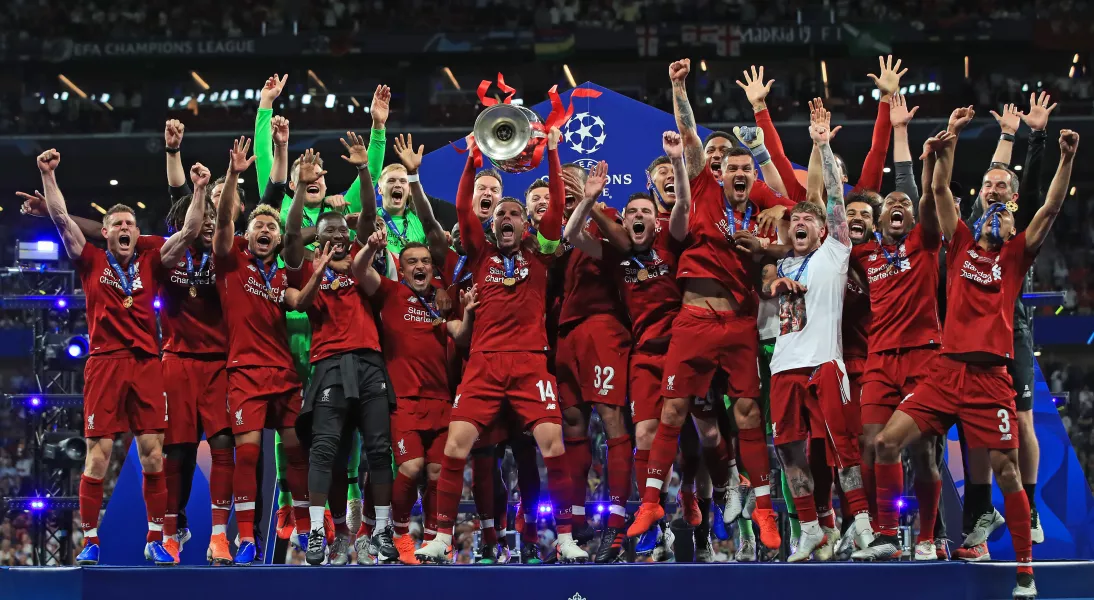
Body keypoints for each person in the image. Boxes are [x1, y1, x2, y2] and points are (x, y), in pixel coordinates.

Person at [859, 113, 1078, 599]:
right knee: (887, 441)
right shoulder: (957, 244)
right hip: (944, 371)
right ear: (980, 217)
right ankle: (890, 537)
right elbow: (938, 193)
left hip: (990, 379)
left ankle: (1025, 571)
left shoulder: (1016, 256)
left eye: (1007, 214)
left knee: (1006, 470)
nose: (1000, 215)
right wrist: (947, 146)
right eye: (993, 211)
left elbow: (1052, 208)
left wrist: (1066, 158)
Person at [628, 58, 794, 552]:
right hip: (695, 319)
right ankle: (652, 502)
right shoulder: (702, 188)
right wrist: (678, 86)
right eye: (732, 168)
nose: (738, 174)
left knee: (747, 414)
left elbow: (797, 218)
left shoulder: (761, 208)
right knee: (673, 409)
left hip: (740, 323)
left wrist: (770, 250)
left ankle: (764, 511)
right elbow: (689, 131)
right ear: (719, 172)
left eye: (745, 169)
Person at [415, 127, 587, 564]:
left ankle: (565, 537)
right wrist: (472, 163)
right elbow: (460, 207)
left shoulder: (540, 254)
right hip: (484, 365)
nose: (506, 218)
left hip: (531, 363)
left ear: (526, 225)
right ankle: (440, 537)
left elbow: (555, 216)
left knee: (552, 445)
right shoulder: (479, 255)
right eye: (500, 216)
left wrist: (551, 150)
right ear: (492, 226)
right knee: (457, 447)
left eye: (514, 214)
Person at [34, 147, 207, 566]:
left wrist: (200, 190)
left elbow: (188, 233)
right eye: (118, 225)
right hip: (106, 363)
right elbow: (61, 218)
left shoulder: (151, 261)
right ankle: (91, 540)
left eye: (130, 223)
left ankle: (156, 538)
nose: (126, 228)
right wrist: (49, 175)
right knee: (98, 455)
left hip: (148, 362)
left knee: (153, 452)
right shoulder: (90, 260)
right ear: (106, 234)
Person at [254, 75, 389, 540]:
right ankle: (292, 509)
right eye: (302, 182)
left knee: (345, 420)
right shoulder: (286, 213)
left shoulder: (340, 216)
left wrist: (376, 129)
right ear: (296, 185)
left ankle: (351, 495)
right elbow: (268, 179)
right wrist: (265, 109)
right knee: (291, 422)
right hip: (292, 330)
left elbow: (365, 183)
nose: (314, 184)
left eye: (319, 180)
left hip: (338, 336)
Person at [566, 131, 692, 562]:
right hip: (643, 352)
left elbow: (683, 209)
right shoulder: (616, 256)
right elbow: (570, 235)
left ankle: (690, 508)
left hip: (682, 348)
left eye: (645, 212)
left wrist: (677, 163)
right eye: (632, 212)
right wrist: (589, 199)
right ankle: (650, 520)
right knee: (643, 433)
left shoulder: (670, 243)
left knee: (697, 438)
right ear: (624, 221)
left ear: (654, 220)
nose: (639, 217)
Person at [761, 118, 874, 562]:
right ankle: (810, 528)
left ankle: (862, 525)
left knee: (843, 449)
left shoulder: (836, 251)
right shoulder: (785, 265)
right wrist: (773, 287)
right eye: (796, 220)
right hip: (782, 368)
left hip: (825, 365)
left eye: (810, 218)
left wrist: (823, 148)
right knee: (788, 449)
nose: (802, 222)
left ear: (825, 227)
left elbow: (836, 199)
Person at [281, 145, 398, 566]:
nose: (334, 237)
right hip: (327, 365)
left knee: (380, 450)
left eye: (339, 232)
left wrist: (366, 169)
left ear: (348, 236)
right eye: (326, 232)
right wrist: (298, 192)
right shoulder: (303, 268)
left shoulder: (363, 265)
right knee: (324, 451)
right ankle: (316, 532)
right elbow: (292, 238)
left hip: (369, 362)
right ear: (319, 238)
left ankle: (382, 531)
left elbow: (368, 212)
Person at [211, 137, 326, 565]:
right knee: (250, 452)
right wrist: (234, 175)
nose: (264, 230)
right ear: (248, 234)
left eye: (271, 228)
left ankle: (301, 529)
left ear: (279, 239)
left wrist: (315, 275)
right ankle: (245, 539)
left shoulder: (280, 276)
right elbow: (223, 221)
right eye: (258, 225)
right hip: (243, 373)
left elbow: (298, 302)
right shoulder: (231, 262)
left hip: (283, 373)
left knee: (297, 450)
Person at [956, 92, 1055, 560]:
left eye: (1001, 187)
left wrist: (1032, 136)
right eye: (987, 185)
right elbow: (993, 184)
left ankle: (1029, 509)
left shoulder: (1018, 227)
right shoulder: (976, 224)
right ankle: (977, 513)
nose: (993, 190)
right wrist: (1008, 135)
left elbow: (1033, 192)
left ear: (1014, 198)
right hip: (969, 335)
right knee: (973, 430)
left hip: (1012, 330)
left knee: (1021, 419)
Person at [134, 163, 238, 565]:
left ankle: (219, 538)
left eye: (214, 219)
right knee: (176, 453)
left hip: (218, 364)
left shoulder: (227, 254)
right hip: (176, 362)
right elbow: (105, 235)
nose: (210, 224)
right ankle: (171, 534)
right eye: (203, 219)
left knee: (224, 446)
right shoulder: (164, 256)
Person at [356, 233, 479, 564]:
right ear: (403, 269)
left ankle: (432, 541)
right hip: (405, 401)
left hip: (441, 401)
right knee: (411, 467)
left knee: (439, 472)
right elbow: (359, 270)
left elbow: (462, 336)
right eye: (412, 262)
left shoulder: (444, 301)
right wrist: (371, 246)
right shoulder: (392, 293)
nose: (420, 266)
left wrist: (466, 314)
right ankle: (398, 535)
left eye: (425, 261)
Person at [555, 158, 634, 553]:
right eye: (561, 183)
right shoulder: (552, 228)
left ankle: (616, 523)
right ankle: (578, 520)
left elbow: (621, 244)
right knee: (572, 422)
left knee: (610, 417)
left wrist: (591, 202)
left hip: (603, 328)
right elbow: (565, 233)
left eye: (572, 182)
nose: (566, 188)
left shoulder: (609, 217)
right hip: (566, 334)